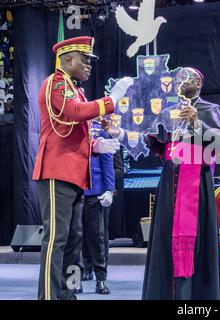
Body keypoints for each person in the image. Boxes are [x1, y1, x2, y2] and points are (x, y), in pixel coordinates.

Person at [105, 67, 220, 300]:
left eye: (187, 77)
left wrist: (196, 123)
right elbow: (152, 143)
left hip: (197, 186)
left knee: (198, 243)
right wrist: (119, 132)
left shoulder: (210, 110)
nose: (180, 79)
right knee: (165, 243)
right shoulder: (168, 112)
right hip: (169, 184)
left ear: (199, 83)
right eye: (178, 76)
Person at [32, 36, 133, 300]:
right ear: (67, 59)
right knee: (56, 240)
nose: (89, 65)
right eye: (84, 59)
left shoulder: (75, 89)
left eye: (90, 60)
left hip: (75, 175)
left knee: (74, 242)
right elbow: (75, 113)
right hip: (56, 171)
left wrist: (96, 145)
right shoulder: (56, 82)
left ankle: (68, 293)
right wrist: (111, 100)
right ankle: (48, 297)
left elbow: (75, 128)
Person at [80, 119, 115, 295]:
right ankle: (77, 278)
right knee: (76, 238)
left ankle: (101, 279)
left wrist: (110, 189)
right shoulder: (69, 128)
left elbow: (107, 161)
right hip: (76, 190)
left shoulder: (99, 130)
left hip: (95, 190)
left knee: (97, 237)